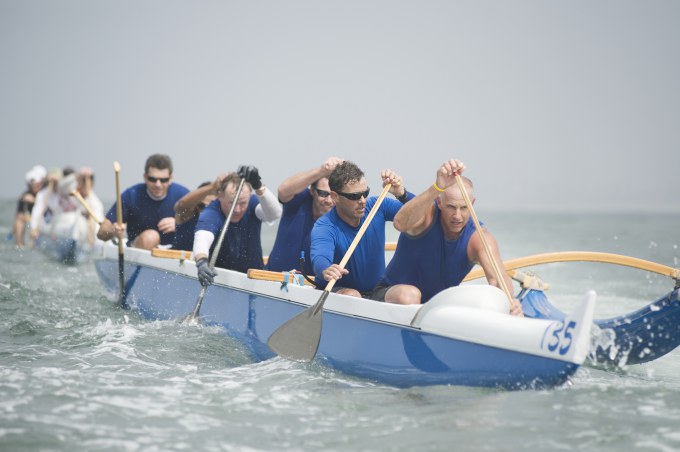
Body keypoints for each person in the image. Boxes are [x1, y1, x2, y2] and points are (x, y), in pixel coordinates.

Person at [379, 159, 523, 316]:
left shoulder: (479, 238)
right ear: (440, 202)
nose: (457, 216)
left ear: (472, 203)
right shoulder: (427, 217)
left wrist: (510, 303)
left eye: (464, 208)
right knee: (410, 295)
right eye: (451, 207)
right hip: (391, 296)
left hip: (432, 310)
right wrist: (437, 187)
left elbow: (497, 279)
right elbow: (400, 223)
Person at [310, 161, 417, 304]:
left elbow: (422, 215)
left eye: (364, 193)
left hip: (375, 290)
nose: (362, 201)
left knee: (408, 295)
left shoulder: (378, 206)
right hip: (339, 290)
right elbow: (320, 257)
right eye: (354, 196)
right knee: (352, 296)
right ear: (335, 197)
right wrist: (326, 269)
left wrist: (402, 194)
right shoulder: (325, 226)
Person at [194, 166, 282, 285]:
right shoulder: (211, 212)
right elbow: (203, 238)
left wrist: (259, 186)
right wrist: (201, 263)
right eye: (231, 202)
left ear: (250, 196)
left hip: (254, 281)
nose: (237, 209)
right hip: (220, 281)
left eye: (243, 203)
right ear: (220, 196)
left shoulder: (253, 203)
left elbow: (275, 214)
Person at [266, 157, 343, 275]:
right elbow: (282, 191)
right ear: (312, 191)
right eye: (323, 193)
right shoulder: (300, 199)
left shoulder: (341, 215)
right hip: (272, 277)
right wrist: (322, 171)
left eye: (332, 195)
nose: (328, 201)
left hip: (310, 286)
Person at [97, 154, 189, 250]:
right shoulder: (131, 195)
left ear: (170, 179)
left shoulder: (183, 196)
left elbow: (199, 228)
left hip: (174, 252)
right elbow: (101, 233)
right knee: (151, 237)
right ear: (145, 177)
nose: (158, 184)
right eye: (152, 179)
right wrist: (113, 231)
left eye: (163, 180)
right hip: (140, 250)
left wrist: (179, 225)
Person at [172, 177, 222, 251]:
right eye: (202, 206)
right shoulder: (188, 215)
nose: (206, 211)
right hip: (180, 259)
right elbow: (181, 205)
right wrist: (213, 186)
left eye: (211, 207)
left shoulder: (223, 220)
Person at [29, 167, 67, 245]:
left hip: (62, 226)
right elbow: (37, 212)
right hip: (48, 225)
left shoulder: (64, 192)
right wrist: (34, 228)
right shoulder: (42, 194)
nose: (55, 184)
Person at [12, 165, 46, 247]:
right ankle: (19, 243)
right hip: (32, 221)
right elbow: (19, 217)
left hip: (46, 220)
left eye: (36, 185)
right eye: (30, 186)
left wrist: (35, 201)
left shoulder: (47, 191)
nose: (33, 187)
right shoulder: (25, 197)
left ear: (42, 182)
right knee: (20, 218)